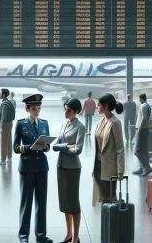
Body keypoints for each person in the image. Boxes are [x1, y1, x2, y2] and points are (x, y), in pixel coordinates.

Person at [13, 94, 53, 243]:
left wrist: (46, 146)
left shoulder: (44, 124)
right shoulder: (21, 124)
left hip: (42, 167)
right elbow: (16, 148)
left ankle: (41, 235)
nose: (37, 111)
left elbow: (47, 147)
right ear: (27, 108)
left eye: (39, 108)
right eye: (35, 108)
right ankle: (23, 236)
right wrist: (31, 147)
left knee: (42, 203)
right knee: (26, 202)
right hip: (27, 167)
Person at [52, 98, 85, 243]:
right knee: (65, 202)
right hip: (61, 166)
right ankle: (69, 234)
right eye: (65, 109)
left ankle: (76, 236)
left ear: (76, 111)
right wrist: (67, 146)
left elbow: (78, 150)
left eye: (69, 110)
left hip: (72, 168)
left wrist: (63, 146)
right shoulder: (64, 124)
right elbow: (54, 146)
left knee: (73, 202)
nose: (66, 112)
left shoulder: (80, 127)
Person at [92, 93, 125, 205]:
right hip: (97, 166)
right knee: (101, 199)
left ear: (106, 106)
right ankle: (104, 221)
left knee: (109, 199)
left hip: (109, 167)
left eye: (98, 105)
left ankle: (111, 222)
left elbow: (120, 148)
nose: (97, 107)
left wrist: (120, 170)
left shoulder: (115, 122)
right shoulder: (100, 122)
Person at [133, 93, 152, 176]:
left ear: (141, 98)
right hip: (145, 129)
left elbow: (144, 118)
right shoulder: (147, 105)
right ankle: (142, 168)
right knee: (143, 150)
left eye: (139, 98)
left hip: (142, 129)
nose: (138, 100)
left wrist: (140, 128)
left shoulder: (143, 106)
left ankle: (146, 167)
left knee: (137, 151)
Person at [0, 88, 16, 166]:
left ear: (4, 94)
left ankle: (3, 160)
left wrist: (1, 127)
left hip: (5, 124)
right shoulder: (8, 102)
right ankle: (9, 158)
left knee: (3, 142)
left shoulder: (4, 104)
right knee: (8, 141)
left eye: (0, 93)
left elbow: (3, 117)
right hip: (10, 123)